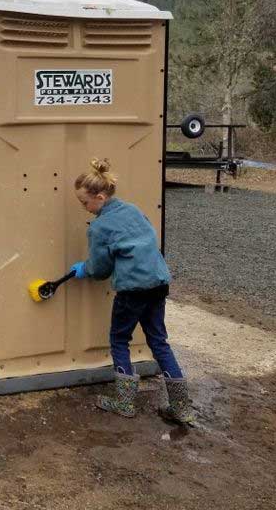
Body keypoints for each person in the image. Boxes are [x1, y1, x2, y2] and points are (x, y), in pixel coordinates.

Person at [69, 158, 193, 424]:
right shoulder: (133, 210)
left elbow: (100, 269)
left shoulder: (100, 227)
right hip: (158, 283)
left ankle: (124, 402)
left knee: (119, 339)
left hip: (133, 289)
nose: (84, 208)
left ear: (100, 197)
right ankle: (181, 407)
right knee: (158, 341)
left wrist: (84, 269)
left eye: (84, 202)